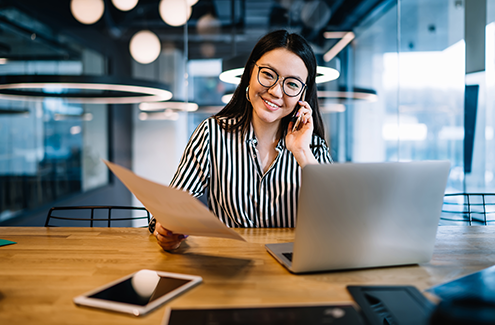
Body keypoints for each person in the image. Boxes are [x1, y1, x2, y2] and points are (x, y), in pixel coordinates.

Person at [151, 29, 333, 250]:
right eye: (268, 74)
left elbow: (337, 223)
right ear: (250, 73)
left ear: (302, 96)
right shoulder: (211, 134)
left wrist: (302, 153)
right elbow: (171, 208)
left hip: (292, 271)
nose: (276, 91)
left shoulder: (311, 147)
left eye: (292, 84)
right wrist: (166, 230)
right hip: (229, 266)